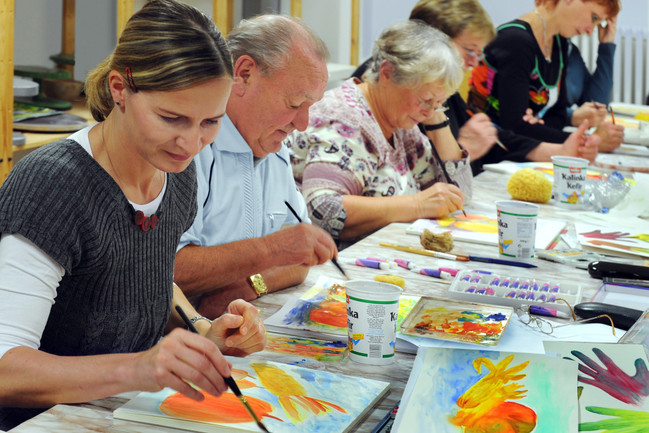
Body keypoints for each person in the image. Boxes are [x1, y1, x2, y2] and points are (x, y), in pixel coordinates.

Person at [0, 1, 265, 429]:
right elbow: (5, 369)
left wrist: (201, 330)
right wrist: (138, 368)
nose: (191, 142)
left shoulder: (175, 170)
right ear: (120, 88)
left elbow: (146, 274)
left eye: (210, 122)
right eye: (171, 117)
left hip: (122, 412)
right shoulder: (52, 185)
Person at [173, 15, 338, 319]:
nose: (302, 124)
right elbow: (166, 268)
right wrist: (272, 250)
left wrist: (247, 285)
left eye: (309, 108)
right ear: (244, 74)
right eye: (293, 104)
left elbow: (302, 258)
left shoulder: (273, 146)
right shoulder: (187, 147)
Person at [353, 0, 599, 174]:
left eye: (478, 53)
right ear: (434, 39)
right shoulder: (394, 81)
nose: (474, 62)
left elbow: (491, 135)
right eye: (470, 50)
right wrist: (463, 150)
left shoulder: (440, 91)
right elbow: (402, 174)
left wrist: (558, 150)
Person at [285, 20, 471, 246]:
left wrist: (437, 121)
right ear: (387, 74)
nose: (429, 111)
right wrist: (418, 205)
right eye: (426, 100)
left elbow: (458, 198)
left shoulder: (401, 123)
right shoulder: (345, 119)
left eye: (439, 103)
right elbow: (323, 208)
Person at [468, 0, 624, 152]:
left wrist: (535, 127)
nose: (591, 31)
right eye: (594, 18)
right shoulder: (516, 42)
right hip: (488, 152)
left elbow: (559, 115)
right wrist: (586, 140)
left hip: (523, 149)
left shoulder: (559, 42)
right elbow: (515, 128)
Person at [565, 15, 617, 125]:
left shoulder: (571, 52)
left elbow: (597, 104)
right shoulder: (527, 45)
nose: (590, 31)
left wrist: (606, 47)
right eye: (593, 17)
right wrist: (570, 117)